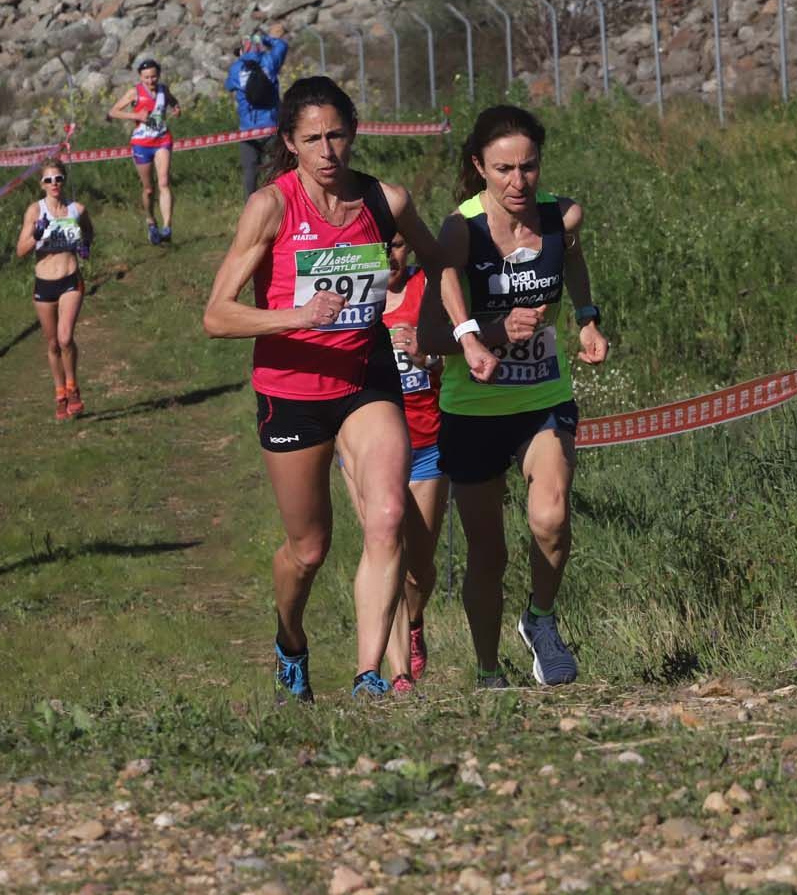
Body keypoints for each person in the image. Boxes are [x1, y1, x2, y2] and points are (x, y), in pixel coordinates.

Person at [202, 75, 496, 702]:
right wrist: (297, 317)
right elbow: (217, 315)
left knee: (388, 516)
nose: (328, 150)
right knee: (308, 550)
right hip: (292, 390)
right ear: (290, 142)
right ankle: (290, 638)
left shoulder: (384, 200)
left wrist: (458, 331)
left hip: (367, 378)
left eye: (337, 134)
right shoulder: (271, 207)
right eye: (312, 139)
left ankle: (370, 675)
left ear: (353, 132)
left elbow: (439, 260)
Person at [419, 105, 609, 690]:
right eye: (503, 169)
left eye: (528, 167)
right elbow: (428, 337)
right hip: (473, 409)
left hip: (541, 396)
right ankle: (486, 670)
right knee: (488, 553)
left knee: (551, 516)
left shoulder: (561, 216)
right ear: (480, 167)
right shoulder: (461, 231)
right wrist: (488, 337)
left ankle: (541, 619)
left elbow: (570, 256)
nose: (518, 182)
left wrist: (586, 318)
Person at [337, 234, 449, 694]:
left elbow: (464, 355)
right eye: (382, 247)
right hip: (366, 447)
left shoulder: (431, 289)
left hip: (427, 443)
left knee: (419, 567)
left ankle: (416, 619)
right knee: (386, 547)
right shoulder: (354, 296)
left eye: (400, 245)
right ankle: (398, 673)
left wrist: (428, 357)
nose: (392, 257)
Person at [16, 158, 95, 421]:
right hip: (44, 284)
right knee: (52, 344)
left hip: (71, 279)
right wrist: (36, 236)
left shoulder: (77, 209)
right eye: (48, 180)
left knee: (64, 338)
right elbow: (20, 251)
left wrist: (85, 247)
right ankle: (59, 393)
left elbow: (88, 233)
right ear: (42, 184)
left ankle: (73, 389)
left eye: (58, 179)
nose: (54, 184)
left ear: (64, 181)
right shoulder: (35, 212)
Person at [108, 58, 179, 245]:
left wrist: (176, 108)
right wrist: (136, 115)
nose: (151, 81)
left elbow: (172, 101)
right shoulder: (135, 92)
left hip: (162, 139)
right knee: (149, 189)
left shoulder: (163, 89)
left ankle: (167, 227)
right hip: (141, 143)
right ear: (141, 77)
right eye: (146, 77)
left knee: (164, 182)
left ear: (158, 75)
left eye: (154, 76)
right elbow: (113, 111)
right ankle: (150, 220)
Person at [224, 25, 289, 198]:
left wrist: (239, 59)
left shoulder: (237, 69)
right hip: (272, 125)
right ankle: (280, 205)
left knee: (250, 172)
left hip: (248, 129)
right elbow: (282, 45)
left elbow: (228, 86)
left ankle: (251, 210)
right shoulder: (270, 62)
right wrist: (266, 38)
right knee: (276, 168)